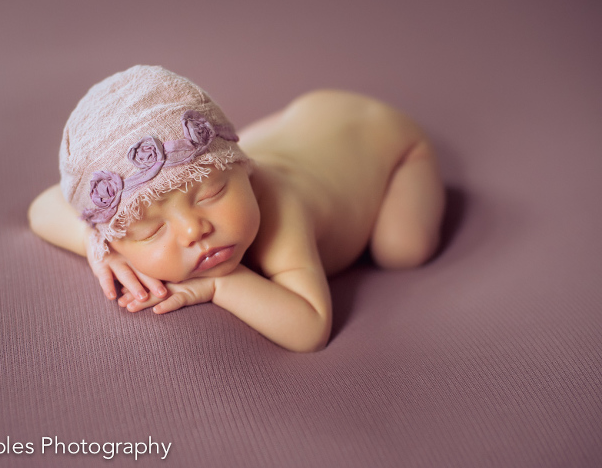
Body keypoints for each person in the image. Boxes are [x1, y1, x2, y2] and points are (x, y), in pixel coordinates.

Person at [28, 65, 445, 352]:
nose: (194, 230)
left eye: (210, 195)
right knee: (208, 163)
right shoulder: (130, 220)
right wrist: (98, 247)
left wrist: (220, 285)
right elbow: (42, 208)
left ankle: (414, 155)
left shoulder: (283, 209)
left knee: (401, 250)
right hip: (310, 121)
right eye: (151, 231)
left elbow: (310, 327)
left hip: (385, 139)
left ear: (241, 171)